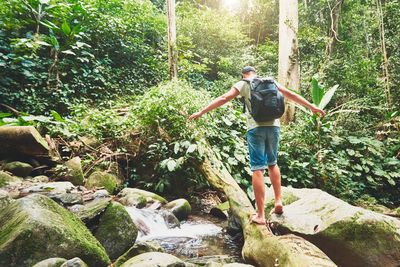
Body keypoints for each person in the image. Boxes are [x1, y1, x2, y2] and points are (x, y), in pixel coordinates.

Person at [189, 66, 326, 225]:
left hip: (255, 129)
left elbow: (223, 98)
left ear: (243, 75)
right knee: (273, 164)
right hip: (274, 127)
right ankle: (278, 201)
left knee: (257, 169)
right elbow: (290, 95)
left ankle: (260, 215)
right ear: (255, 73)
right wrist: (312, 107)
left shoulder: (243, 84)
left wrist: (201, 112)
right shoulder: (270, 81)